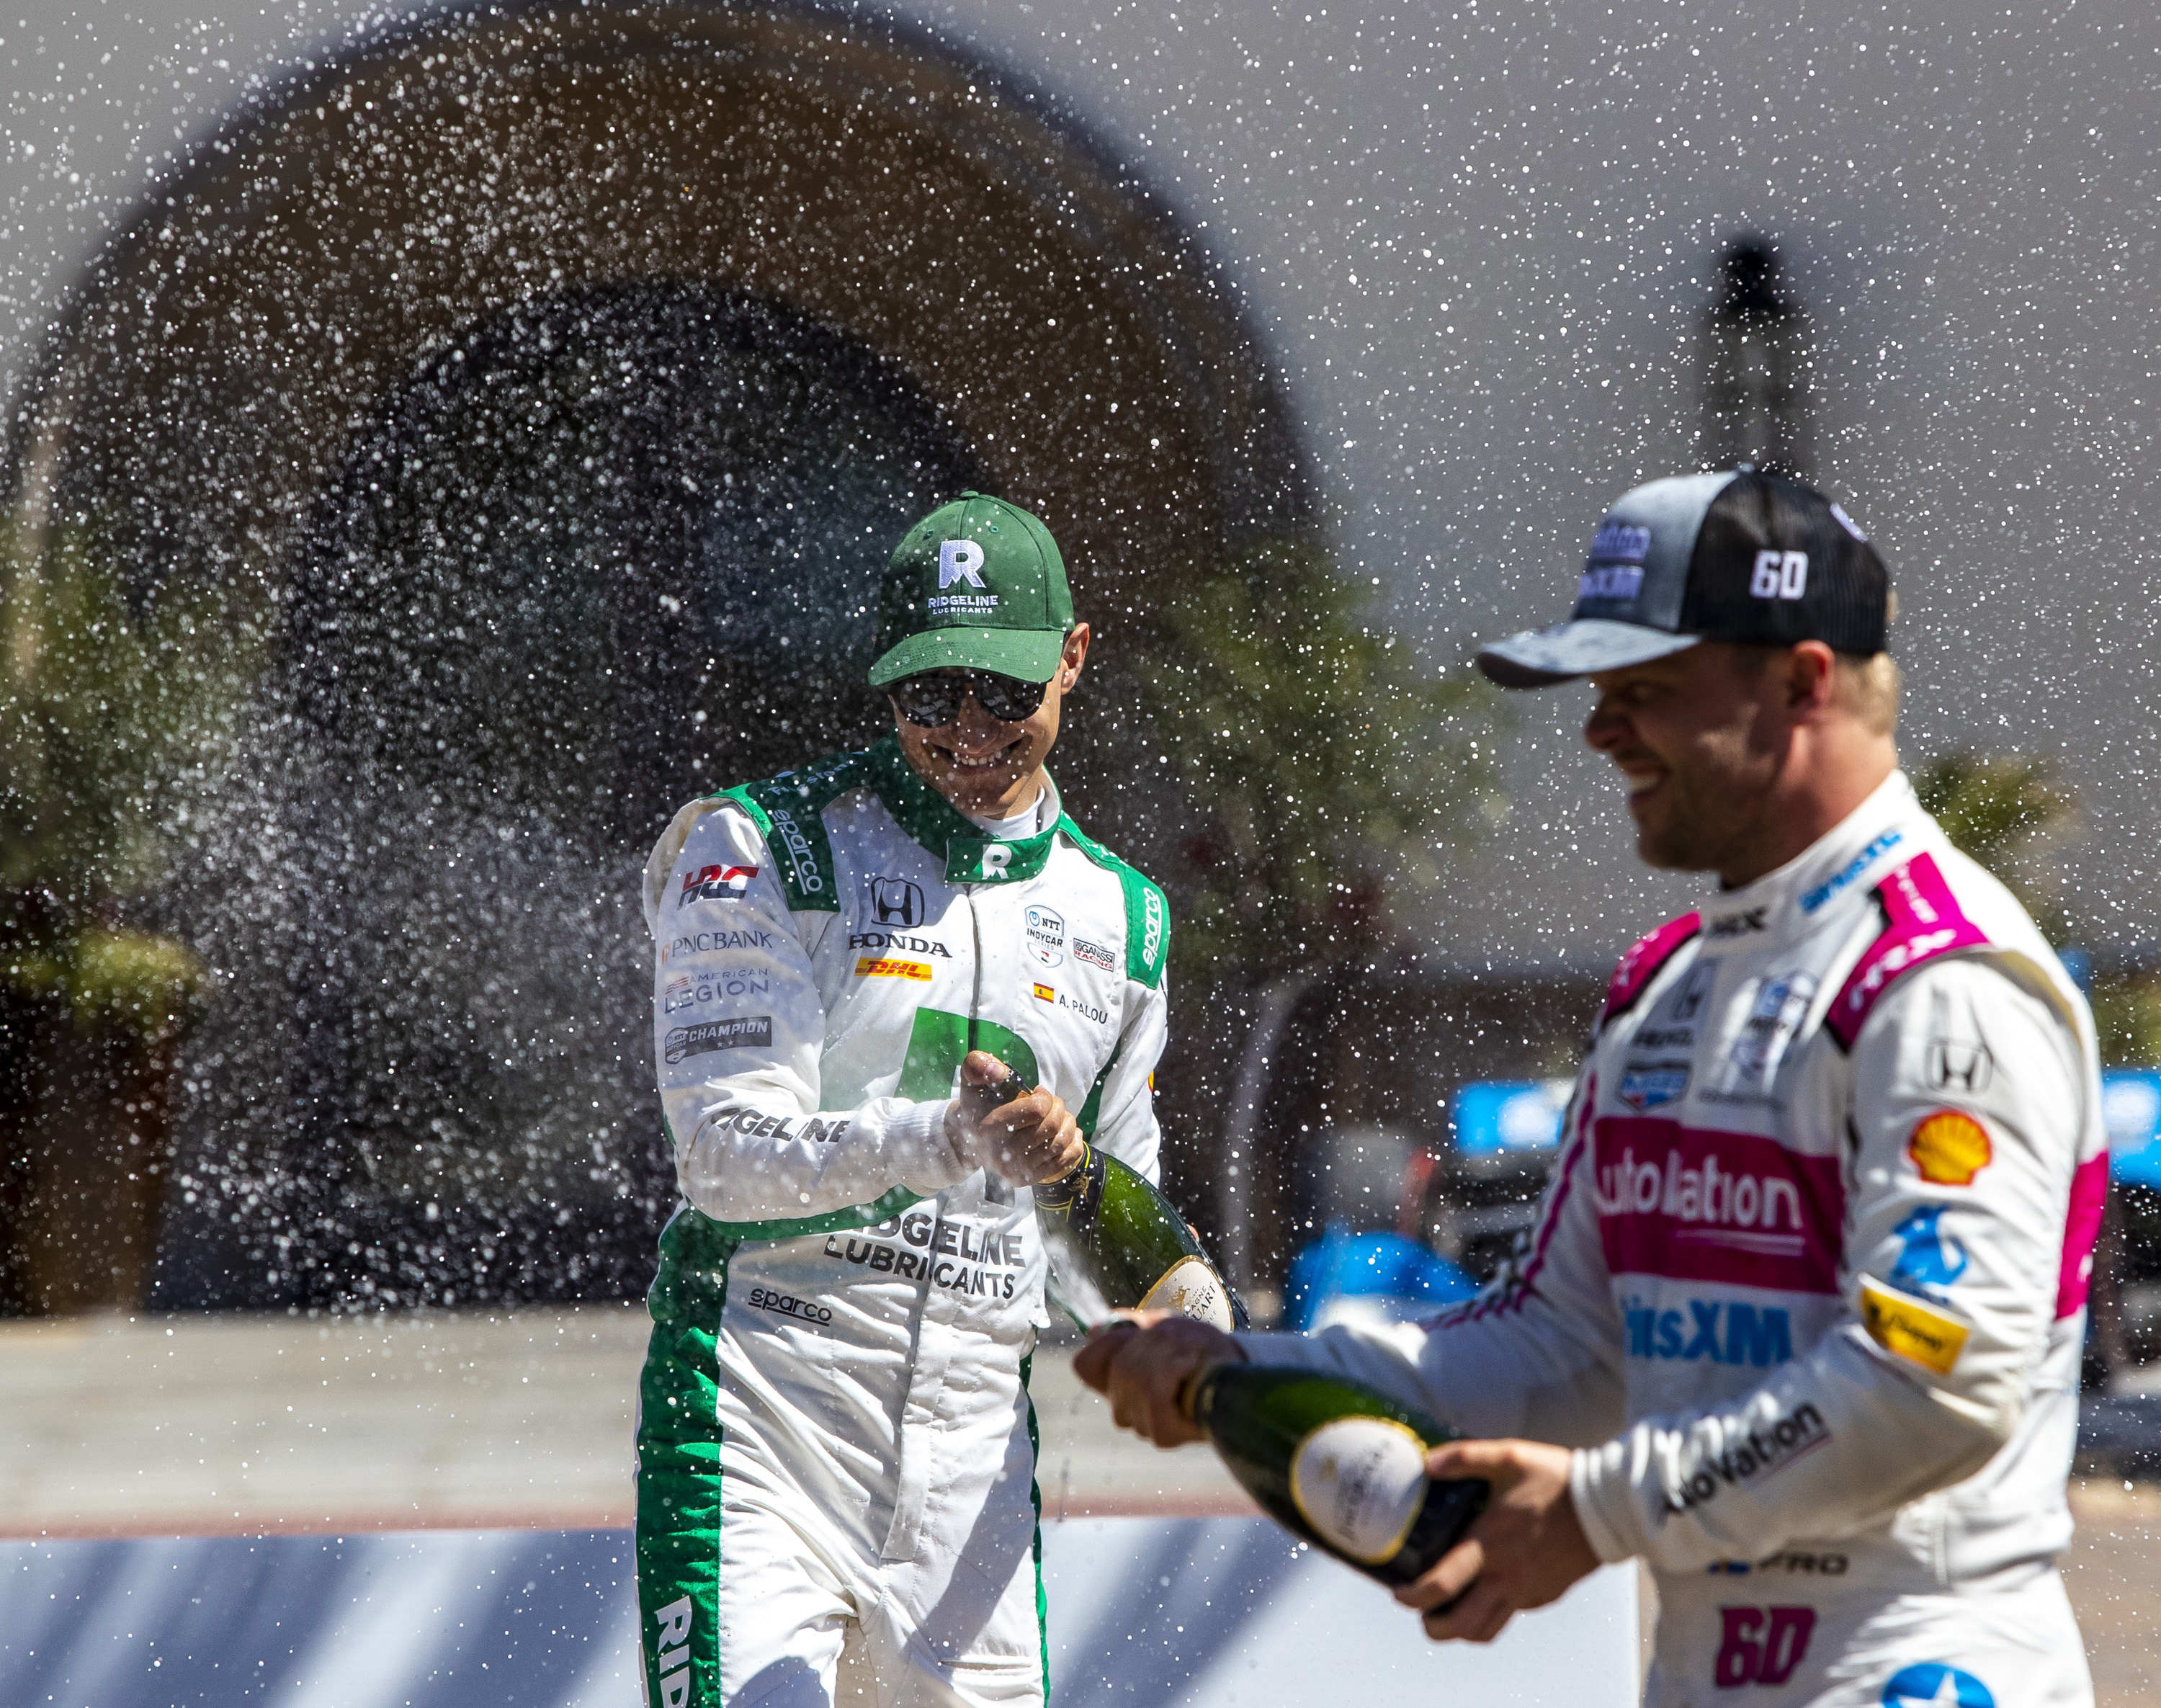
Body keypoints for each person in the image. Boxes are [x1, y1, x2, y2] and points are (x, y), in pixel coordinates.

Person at [1076, 468, 2106, 1708]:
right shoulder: (1670, 987)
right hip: (1700, 1668)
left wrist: (1599, 1510)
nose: (1599, 732)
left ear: (1803, 682)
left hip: (1919, 1666)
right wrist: (1243, 1369)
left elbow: (1937, 1379)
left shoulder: (1941, 982)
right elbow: (1559, 1345)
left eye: (1644, 691)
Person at [636, 493, 1171, 1708]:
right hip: (761, 1411)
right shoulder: (760, 847)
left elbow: (1107, 1255)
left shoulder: (1128, 919)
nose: (969, 728)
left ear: (1073, 658)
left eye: (1004, 688)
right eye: (931, 692)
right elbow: (720, 1158)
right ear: (884, 680)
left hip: (975, 1454)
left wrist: (1156, 1311)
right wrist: (938, 1138)